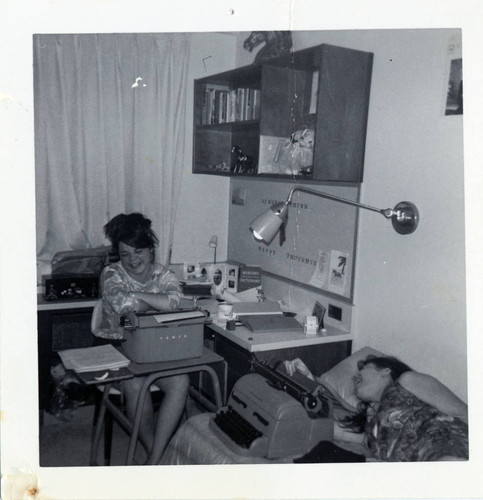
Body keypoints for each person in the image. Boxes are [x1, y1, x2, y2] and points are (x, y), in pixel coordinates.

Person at [94, 212, 189, 465]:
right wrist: (156, 302)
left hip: (154, 348)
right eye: (125, 254)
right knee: (136, 385)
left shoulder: (163, 273)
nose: (132, 259)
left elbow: (177, 301)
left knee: (181, 380)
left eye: (138, 251)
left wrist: (140, 299)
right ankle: (155, 453)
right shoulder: (110, 274)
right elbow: (126, 305)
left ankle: (155, 459)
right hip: (117, 348)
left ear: (150, 250)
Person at [283, 355, 468, 462]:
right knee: (321, 452)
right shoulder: (372, 427)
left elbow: (464, 413)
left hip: (447, 453)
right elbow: (326, 428)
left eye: (362, 371)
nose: (355, 378)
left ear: (385, 370)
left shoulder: (409, 381)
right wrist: (306, 381)